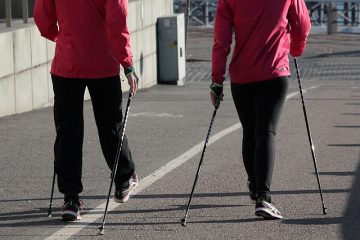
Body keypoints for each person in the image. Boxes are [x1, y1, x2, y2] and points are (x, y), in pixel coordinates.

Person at [34, 0, 139, 221]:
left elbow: (43, 18)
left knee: (68, 132)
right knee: (110, 125)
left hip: (67, 62)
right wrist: (127, 63)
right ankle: (122, 179)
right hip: (103, 63)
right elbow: (116, 21)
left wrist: (61, 36)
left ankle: (71, 198)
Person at [210, 0, 311, 219]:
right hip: (274, 71)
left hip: (241, 76)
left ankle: (256, 187)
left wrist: (217, 81)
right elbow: (302, 25)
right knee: (265, 131)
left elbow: (221, 39)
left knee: (250, 131)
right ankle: (263, 197)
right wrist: (295, 49)